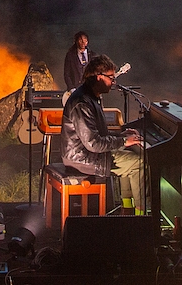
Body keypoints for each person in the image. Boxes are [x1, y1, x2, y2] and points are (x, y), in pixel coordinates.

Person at [62, 54, 145, 213]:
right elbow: (93, 143)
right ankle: (141, 216)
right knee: (138, 163)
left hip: (86, 153)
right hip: (81, 158)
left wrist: (122, 136)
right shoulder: (82, 103)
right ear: (99, 77)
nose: (114, 82)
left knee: (136, 155)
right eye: (111, 78)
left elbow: (97, 136)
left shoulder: (91, 96)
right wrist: (123, 142)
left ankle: (127, 210)